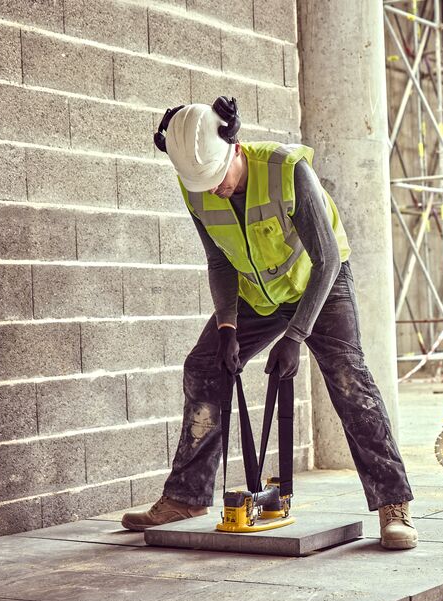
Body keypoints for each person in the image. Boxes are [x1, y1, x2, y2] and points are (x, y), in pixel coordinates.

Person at [121, 97, 417, 550]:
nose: (213, 188)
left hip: (318, 282)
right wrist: (227, 328)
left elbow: (328, 258)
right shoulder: (195, 186)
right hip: (257, 292)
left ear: (234, 146)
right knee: (203, 367)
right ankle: (186, 497)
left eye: (218, 176)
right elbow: (219, 261)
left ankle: (393, 505)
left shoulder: (286, 170)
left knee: (348, 378)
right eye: (202, 182)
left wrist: (296, 336)